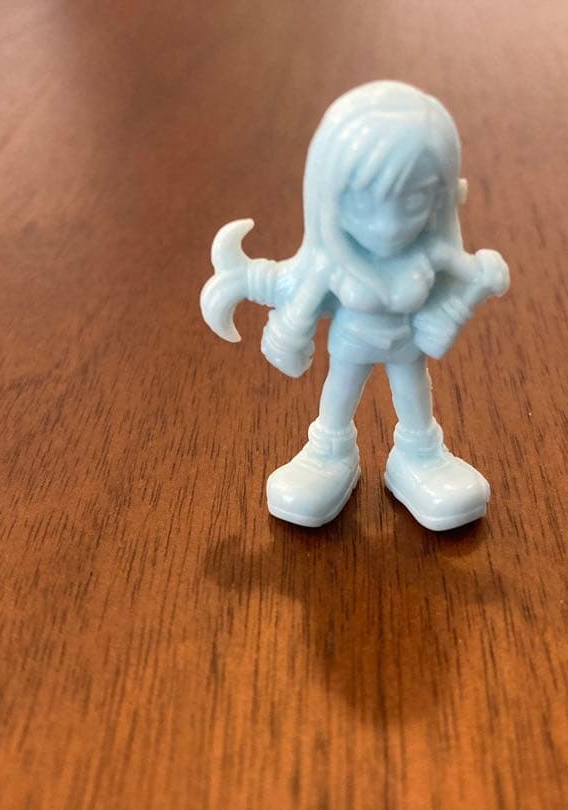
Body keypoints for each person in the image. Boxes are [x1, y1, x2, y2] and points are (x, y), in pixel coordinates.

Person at [201, 80, 509, 530]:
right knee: (339, 396)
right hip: (351, 346)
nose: (389, 226)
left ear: (439, 196)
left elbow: (472, 269)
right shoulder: (331, 264)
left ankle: (420, 456)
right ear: (327, 195)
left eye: (414, 200)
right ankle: (328, 453)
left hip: (406, 347)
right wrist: (286, 328)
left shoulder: (430, 253)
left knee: (414, 396)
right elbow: (296, 308)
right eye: (364, 202)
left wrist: (486, 273)